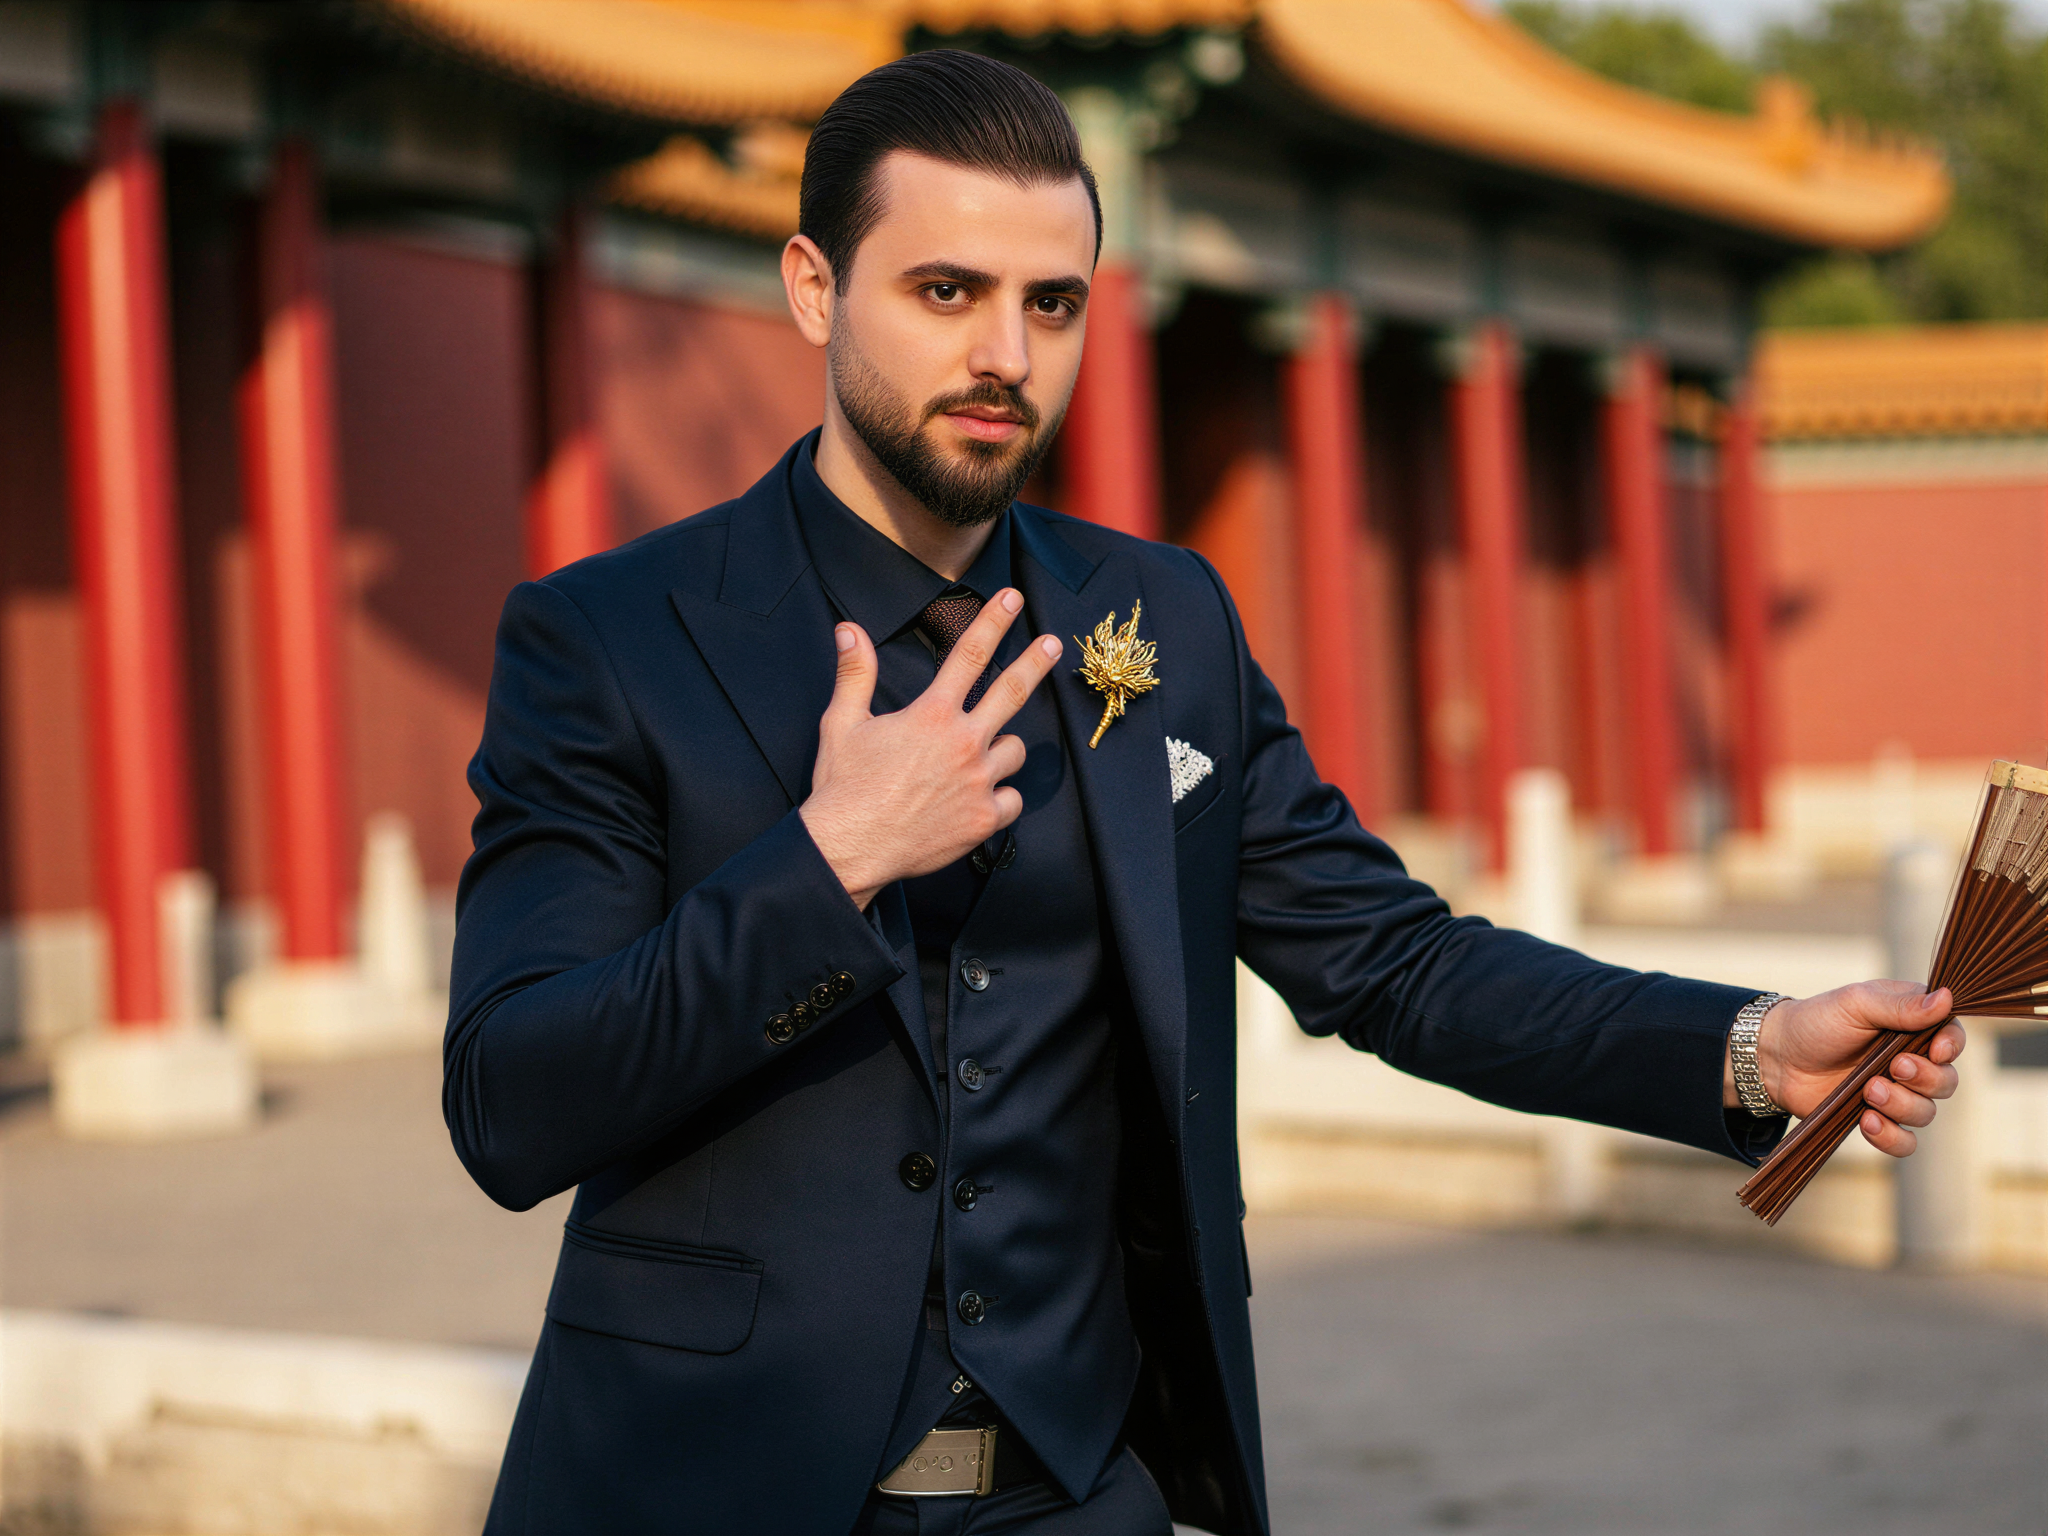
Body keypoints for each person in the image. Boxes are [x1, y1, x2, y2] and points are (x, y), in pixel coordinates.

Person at [444, 49, 1966, 1536]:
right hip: (714, 1482)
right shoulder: (610, 640)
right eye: (945, 292)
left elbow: (1395, 960)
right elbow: (513, 1102)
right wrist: (831, 862)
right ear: (814, 288)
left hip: (1081, 1482)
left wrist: (1752, 1048)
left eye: (1052, 305)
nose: (1004, 356)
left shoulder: (1160, 622)